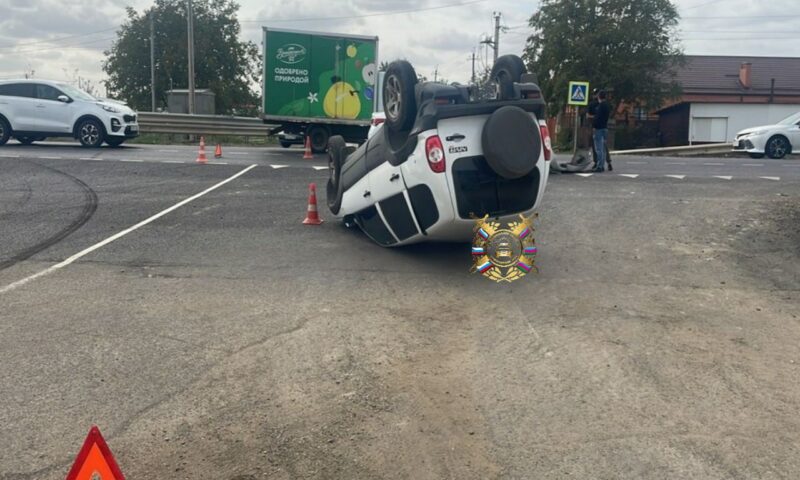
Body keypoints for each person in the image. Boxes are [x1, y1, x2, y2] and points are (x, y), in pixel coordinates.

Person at [591, 90, 611, 173]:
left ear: (599, 97)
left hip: (598, 128)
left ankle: (600, 166)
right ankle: (602, 165)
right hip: (605, 128)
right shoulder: (607, 106)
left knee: (598, 149)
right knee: (603, 148)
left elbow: (597, 118)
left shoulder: (600, 106)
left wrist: (594, 126)